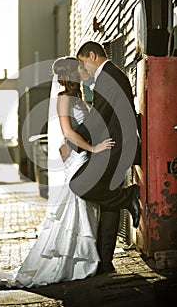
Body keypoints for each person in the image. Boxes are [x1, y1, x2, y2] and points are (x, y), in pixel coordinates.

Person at [0, 56, 115, 288]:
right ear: (71, 74)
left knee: (86, 210)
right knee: (76, 210)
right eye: (79, 67)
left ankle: (83, 261)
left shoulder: (78, 98)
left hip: (85, 160)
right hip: (78, 161)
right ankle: (75, 264)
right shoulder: (64, 98)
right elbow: (67, 132)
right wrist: (93, 147)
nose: (83, 68)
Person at [60, 41, 141, 274]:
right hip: (118, 145)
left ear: (92, 56)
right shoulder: (113, 75)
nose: (83, 69)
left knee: (80, 184)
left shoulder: (108, 78)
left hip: (116, 147)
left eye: (83, 63)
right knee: (108, 198)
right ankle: (105, 261)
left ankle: (128, 197)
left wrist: (72, 144)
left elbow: (98, 118)